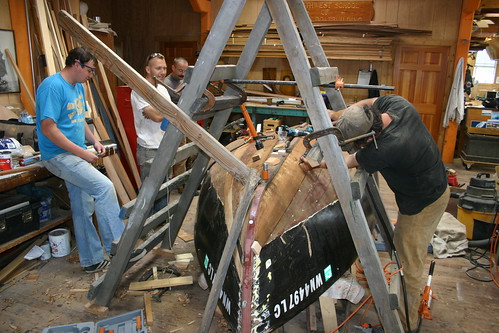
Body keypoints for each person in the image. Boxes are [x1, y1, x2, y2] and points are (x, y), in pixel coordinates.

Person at [302, 95, 449, 332]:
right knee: (401, 249)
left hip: (425, 201)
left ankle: (403, 325)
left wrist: (316, 164)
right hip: (429, 182)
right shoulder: (398, 105)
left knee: (407, 262)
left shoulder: (387, 148)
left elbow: (347, 162)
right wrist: (339, 115)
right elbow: (365, 104)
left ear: (370, 137)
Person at [36, 47, 125, 273]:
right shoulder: (52, 87)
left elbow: (79, 119)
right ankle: (119, 248)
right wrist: (81, 152)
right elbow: (48, 128)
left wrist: (94, 141)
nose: (91, 75)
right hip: (58, 155)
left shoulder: (77, 87)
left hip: (75, 153)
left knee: (82, 206)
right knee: (104, 188)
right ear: (76, 64)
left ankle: (91, 260)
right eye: (90, 70)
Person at [131, 52, 171, 184]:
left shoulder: (162, 89)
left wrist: (157, 110)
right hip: (149, 149)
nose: (163, 72)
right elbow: (157, 117)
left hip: (164, 145)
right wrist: (163, 111)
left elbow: (168, 113)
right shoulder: (140, 90)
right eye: (158, 68)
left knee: (164, 189)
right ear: (148, 69)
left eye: (164, 68)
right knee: (149, 193)